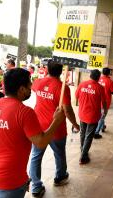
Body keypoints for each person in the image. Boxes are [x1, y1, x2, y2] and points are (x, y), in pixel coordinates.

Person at [0, 68, 65, 198]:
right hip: (9, 179)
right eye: (29, 84)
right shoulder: (24, 112)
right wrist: (56, 121)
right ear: (21, 89)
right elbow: (41, 142)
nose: (31, 87)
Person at [29, 61, 80, 197]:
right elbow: (67, 110)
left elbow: (34, 89)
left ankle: (36, 186)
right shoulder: (62, 87)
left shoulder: (38, 82)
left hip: (38, 126)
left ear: (47, 69)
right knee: (59, 154)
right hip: (56, 128)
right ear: (62, 70)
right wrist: (75, 124)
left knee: (35, 156)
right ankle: (60, 177)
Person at [75, 69, 107, 164]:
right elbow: (104, 102)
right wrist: (105, 110)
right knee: (88, 136)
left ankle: (83, 150)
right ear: (98, 78)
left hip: (82, 113)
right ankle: (83, 156)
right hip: (93, 116)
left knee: (82, 133)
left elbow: (76, 96)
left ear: (90, 75)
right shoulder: (100, 88)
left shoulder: (82, 84)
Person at [94, 67, 113, 139]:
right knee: (102, 117)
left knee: (101, 116)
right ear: (109, 73)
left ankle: (102, 126)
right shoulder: (109, 81)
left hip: (96, 101)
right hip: (105, 103)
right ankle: (96, 132)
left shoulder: (98, 79)